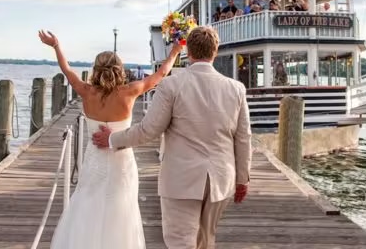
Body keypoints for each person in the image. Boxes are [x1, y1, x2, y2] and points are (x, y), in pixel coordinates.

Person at [92, 26, 252, 249]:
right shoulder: (236, 89)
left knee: (180, 242)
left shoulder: (172, 85)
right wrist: (242, 179)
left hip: (181, 180)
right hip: (221, 180)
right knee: (205, 242)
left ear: (189, 53)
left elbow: (149, 129)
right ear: (215, 52)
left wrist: (112, 139)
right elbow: (243, 138)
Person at [38, 29, 183, 249]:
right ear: (119, 69)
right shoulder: (130, 91)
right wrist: (175, 50)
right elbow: (161, 73)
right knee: (121, 210)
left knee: (88, 206)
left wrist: (57, 45)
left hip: (93, 161)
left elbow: (66, 70)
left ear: (96, 69)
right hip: (121, 163)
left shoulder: (86, 92)